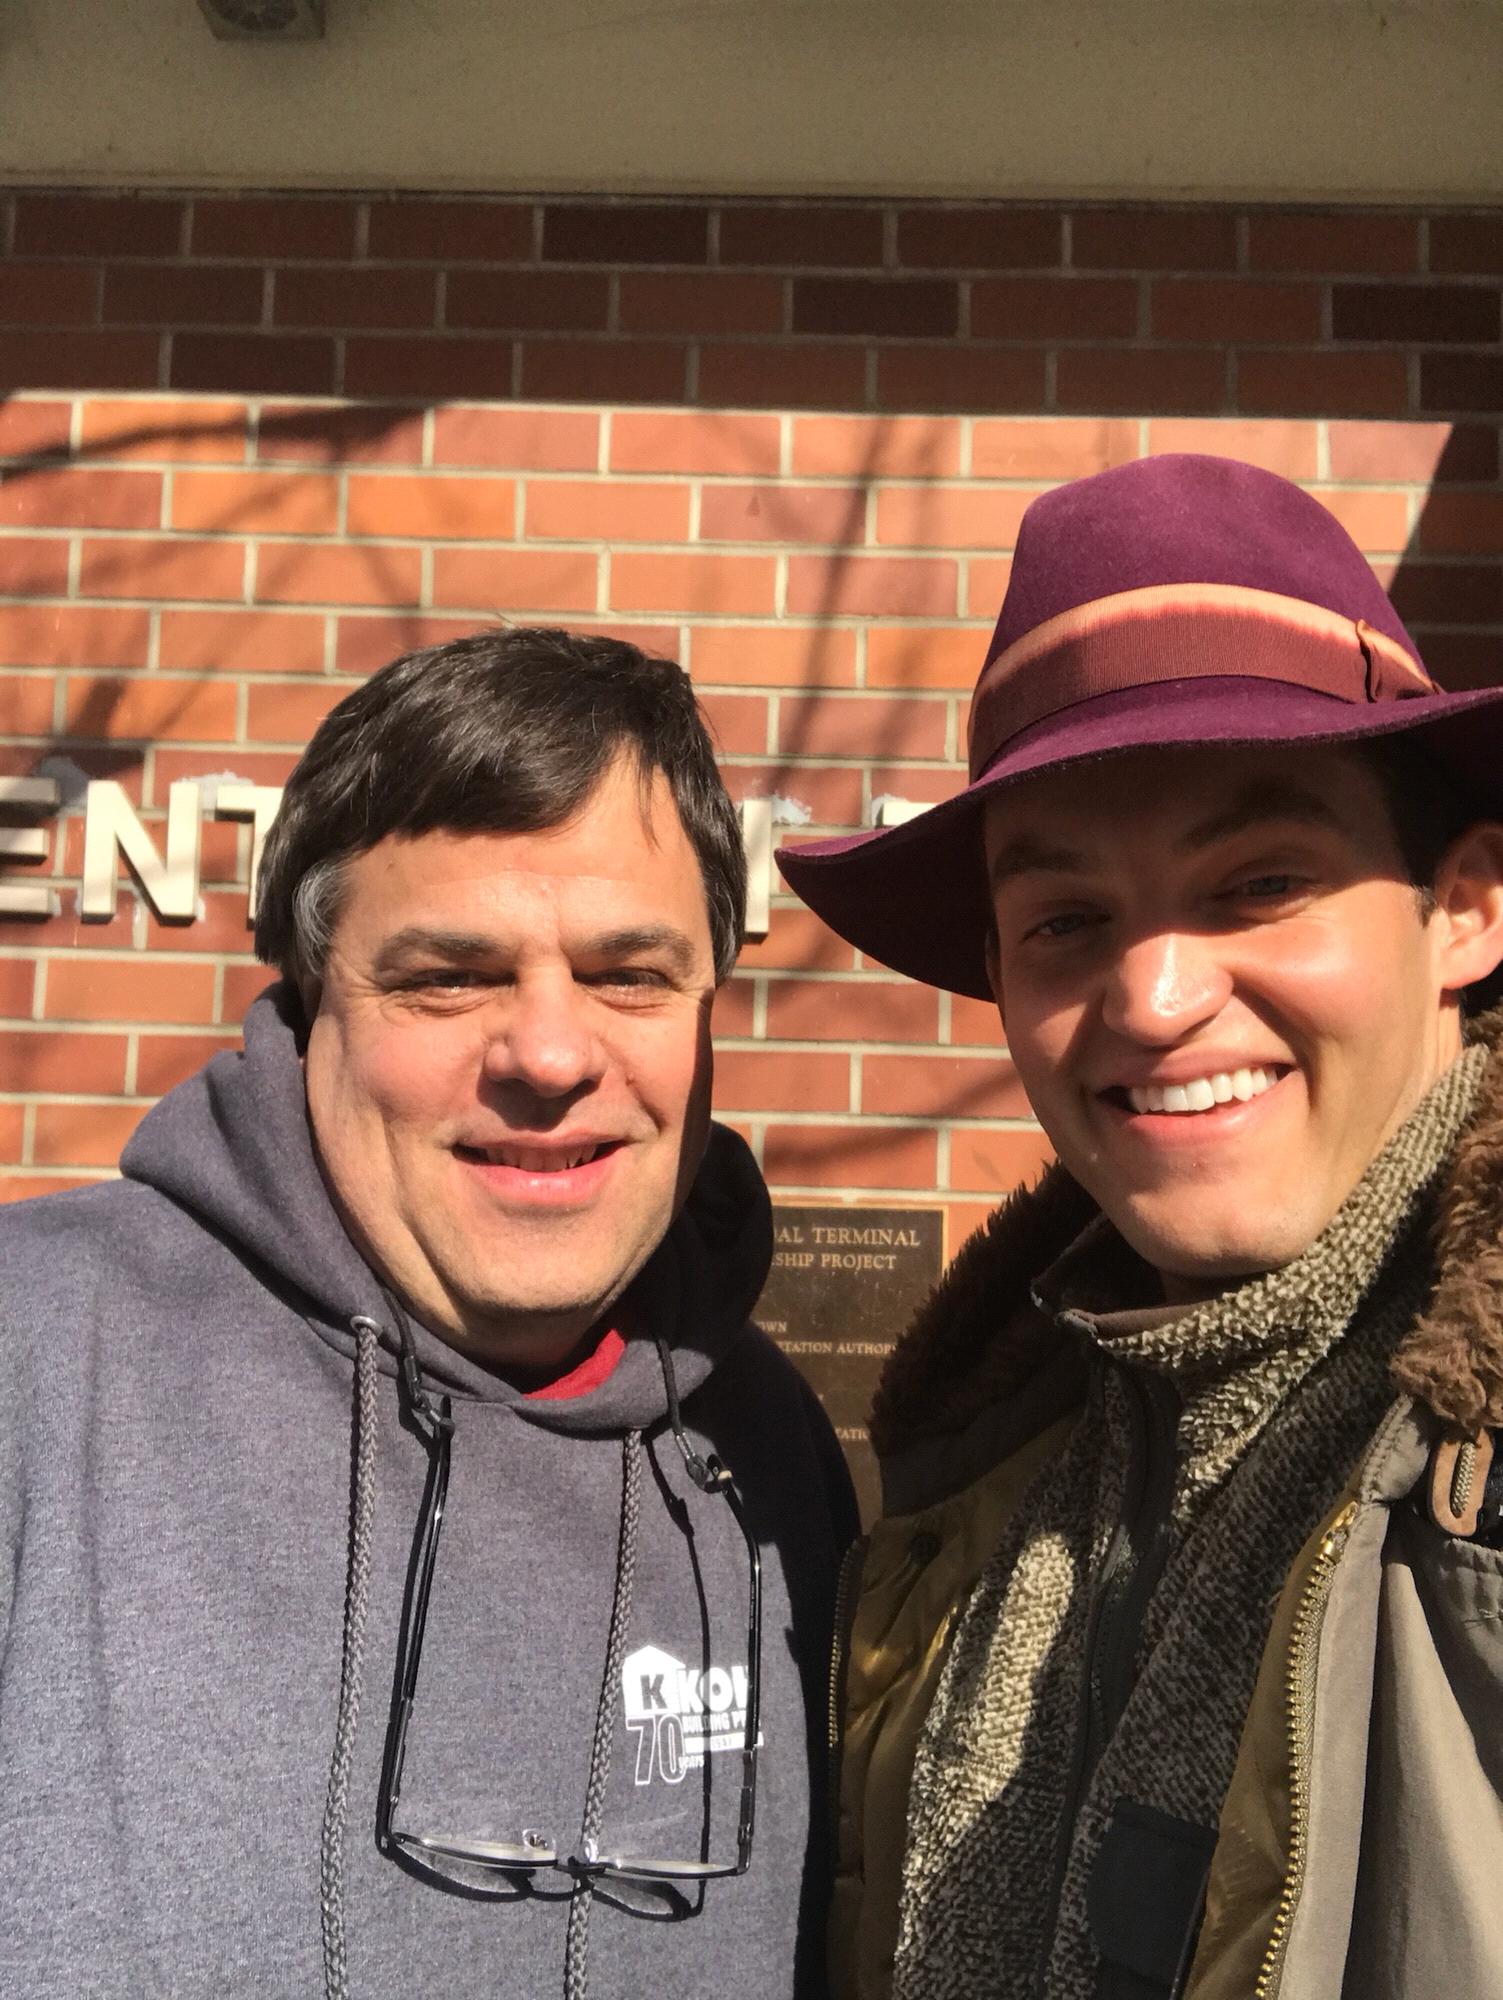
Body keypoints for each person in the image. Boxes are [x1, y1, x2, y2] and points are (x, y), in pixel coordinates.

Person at [0, 628, 856, 2000]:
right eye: (447, 975)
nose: (551, 1054)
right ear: (308, 994)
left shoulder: (770, 1456)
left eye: (631, 973)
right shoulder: (38, 1357)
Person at [778, 454, 1503, 2000]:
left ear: (1466, 910)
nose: (1155, 1002)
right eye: (1066, 920)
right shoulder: (975, 1490)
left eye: (1260, 882)